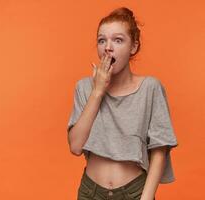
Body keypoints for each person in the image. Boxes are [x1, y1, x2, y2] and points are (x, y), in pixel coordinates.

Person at [67, 7, 178, 200]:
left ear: (133, 47)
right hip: (90, 193)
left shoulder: (150, 88)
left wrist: (146, 197)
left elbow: (159, 151)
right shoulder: (84, 88)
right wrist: (98, 91)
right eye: (102, 40)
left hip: (135, 193)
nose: (108, 47)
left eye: (118, 40)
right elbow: (76, 146)